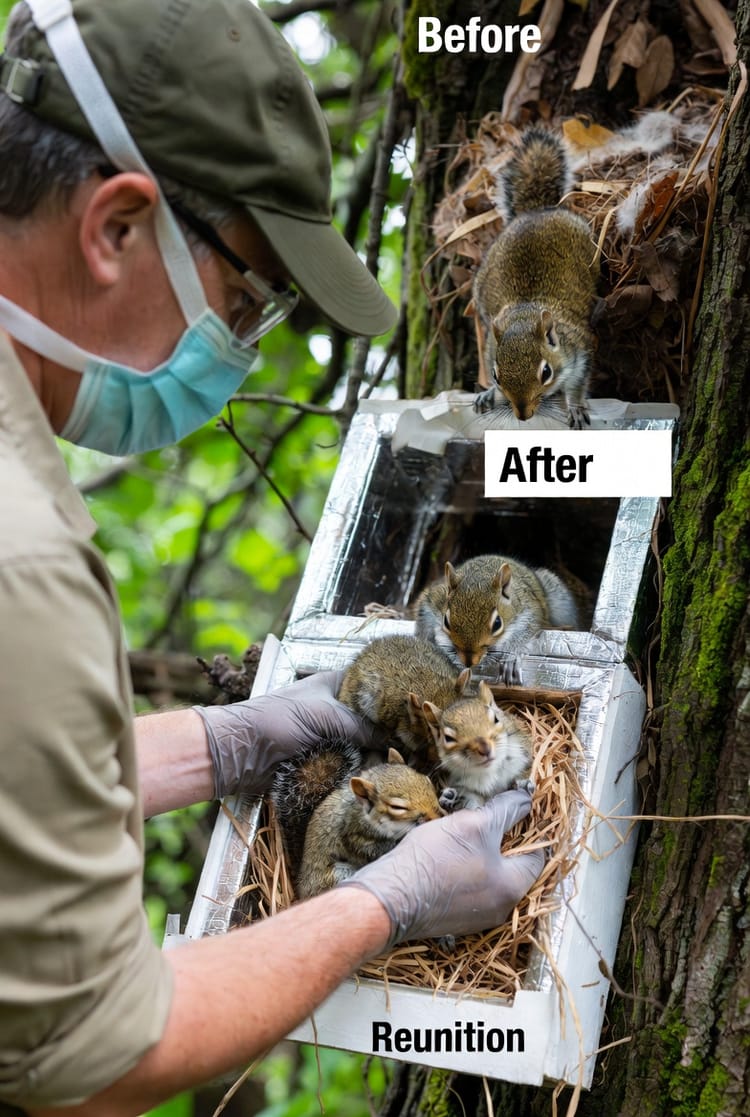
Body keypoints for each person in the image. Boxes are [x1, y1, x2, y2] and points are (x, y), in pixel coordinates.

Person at [0, 2, 544, 1114]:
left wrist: (225, 741)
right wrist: (383, 901)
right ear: (115, 229)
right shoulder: (27, 561)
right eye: (244, 303)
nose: (239, 353)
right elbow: (94, 1058)